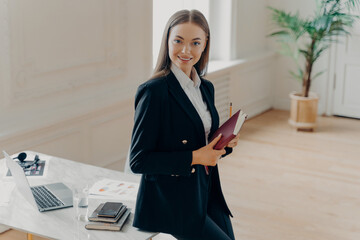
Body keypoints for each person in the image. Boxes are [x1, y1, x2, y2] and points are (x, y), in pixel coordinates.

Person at [129, 9, 240, 240]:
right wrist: (195, 157)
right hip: (173, 203)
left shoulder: (206, 88)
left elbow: (203, 144)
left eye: (195, 42)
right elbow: (138, 161)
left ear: (204, 45)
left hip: (207, 191)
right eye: (178, 41)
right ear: (167, 40)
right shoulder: (154, 92)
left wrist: (224, 144)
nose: (186, 50)